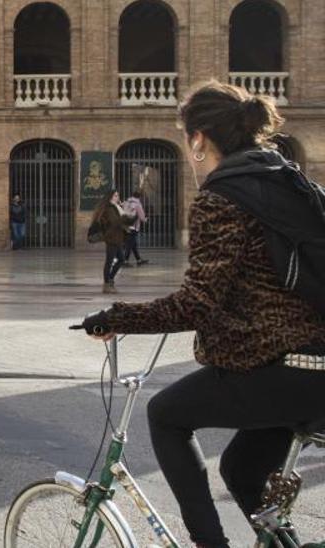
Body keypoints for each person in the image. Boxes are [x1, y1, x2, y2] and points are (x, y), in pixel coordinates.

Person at [78, 82, 325, 548]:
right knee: (241, 469)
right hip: (314, 368)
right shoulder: (282, 179)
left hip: (280, 368)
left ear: (197, 139)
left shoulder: (222, 197)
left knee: (166, 414)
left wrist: (115, 317)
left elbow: (196, 302)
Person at [92, 190, 128, 294]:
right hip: (111, 238)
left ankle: (110, 279)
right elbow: (115, 222)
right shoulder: (109, 209)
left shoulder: (115, 208)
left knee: (121, 259)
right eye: (116, 195)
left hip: (117, 238)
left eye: (118, 195)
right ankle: (106, 284)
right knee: (109, 261)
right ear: (110, 197)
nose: (118, 197)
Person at [122, 190, 149, 266]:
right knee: (129, 245)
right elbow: (142, 217)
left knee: (133, 244)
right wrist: (145, 219)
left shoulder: (126, 202)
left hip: (126, 226)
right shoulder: (137, 204)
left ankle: (139, 260)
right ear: (140, 197)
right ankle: (125, 261)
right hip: (134, 227)